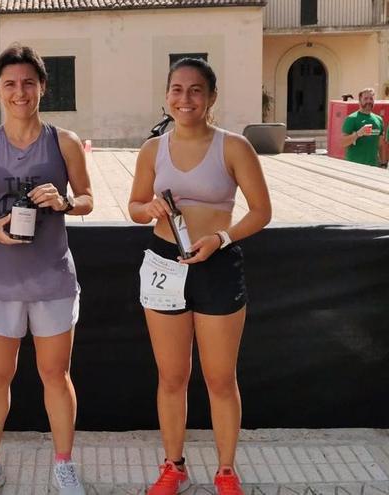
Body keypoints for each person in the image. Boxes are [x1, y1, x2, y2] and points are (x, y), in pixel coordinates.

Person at [0, 44, 93, 495]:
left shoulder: (64, 141)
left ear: (42, 88)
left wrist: (66, 201)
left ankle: (64, 465)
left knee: (57, 375)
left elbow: (89, 199)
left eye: (28, 83)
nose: (19, 92)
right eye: (10, 84)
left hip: (53, 280)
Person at [127, 58, 271, 495]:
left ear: (211, 98)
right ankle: (174, 465)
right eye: (176, 89)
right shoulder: (153, 149)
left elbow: (262, 211)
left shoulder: (233, 147)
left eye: (194, 90)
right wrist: (148, 209)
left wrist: (222, 238)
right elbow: (134, 207)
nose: (184, 98)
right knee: (171, 377)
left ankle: (226, 471)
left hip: (217, 262)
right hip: (164, 265)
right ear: (166, 96)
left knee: (220, 378)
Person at [340, 88, 384, 167]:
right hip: (354, 166)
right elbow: (343, 143)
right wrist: (358, 134)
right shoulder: (352, 118)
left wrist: (383, 163)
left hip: (373, 167)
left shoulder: (379, 120)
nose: (368, 101)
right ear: (360, 101)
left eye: (371, 99)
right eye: (365, 98)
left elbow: (381, 144)